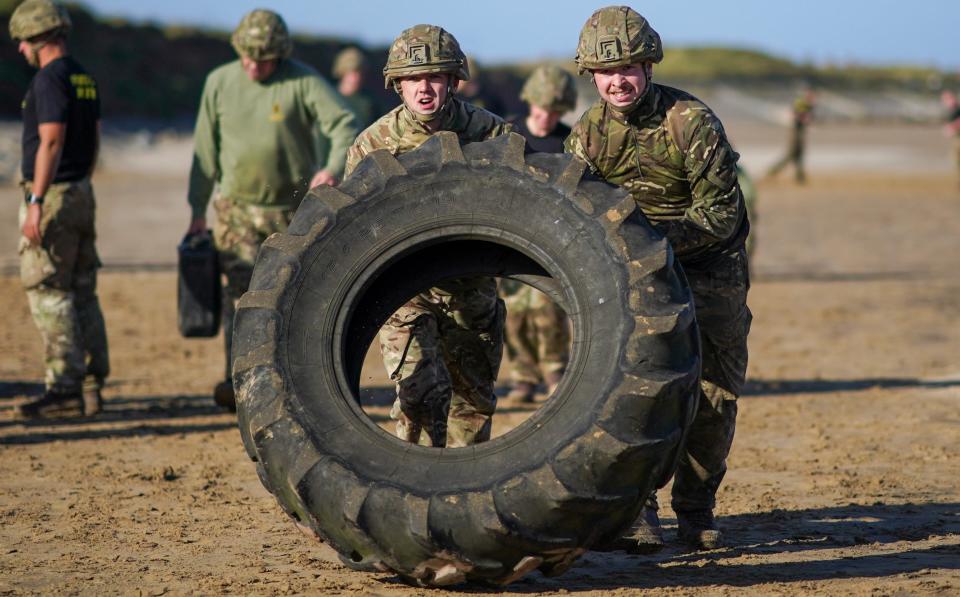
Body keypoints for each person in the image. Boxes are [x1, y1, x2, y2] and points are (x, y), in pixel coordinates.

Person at [565, 6, 751, 551]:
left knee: (713, 398)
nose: (617, 80)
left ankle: (696, 511)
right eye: (606, 71)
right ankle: (638, 510)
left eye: (628, 67)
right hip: (635, 280)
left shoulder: (691, 121)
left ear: (648, 66)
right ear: (591, 76)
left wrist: (652, 243)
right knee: (632, 394)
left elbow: (721, 217)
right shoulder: (588, 135)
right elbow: (576, 217)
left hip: (710, 271)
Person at [345, 24, 512, 448]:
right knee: (418, 394)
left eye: (435, 77)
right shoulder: (373, 146)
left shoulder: (492, 135)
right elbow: (352, 228)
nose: (424, 88)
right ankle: (412, 487)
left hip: (471, 289)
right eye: (413, 78)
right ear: (397, 84)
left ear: (454, 81)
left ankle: (463, 499)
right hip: (406, 289)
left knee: (470, 410)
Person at [186, 9, 358, 409]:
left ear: (279, 56)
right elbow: (203, 153)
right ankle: (240, 380)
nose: (252, 65)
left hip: (291, 211)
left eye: (261, 59)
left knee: (290, 296)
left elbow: (344, 124)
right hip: (236, 210)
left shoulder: (302, 80)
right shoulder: (219, 82)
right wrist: (197, 210)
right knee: (240, 297)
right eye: (245, 56)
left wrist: (332, 169)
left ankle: (288, 378)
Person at [10, 0, 109, 419]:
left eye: (23, 41)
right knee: (83, 289)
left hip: (54, 194)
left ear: (40, 37)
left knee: (49, 289)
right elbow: (96, 138)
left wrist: (36, 202)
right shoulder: (82, 77)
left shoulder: (49, 80)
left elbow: (50, 140)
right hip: (80, 191)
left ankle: (64, 386)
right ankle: (91, 385)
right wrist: (79, 184)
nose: (20, 50)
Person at [501, 65, 577, 402]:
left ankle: (554, 372)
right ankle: (522, 377)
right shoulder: (508, 135)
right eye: (541, 109)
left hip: (550, 238)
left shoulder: (568, 141)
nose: (546, 117)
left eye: (554, 111)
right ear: (530, 103)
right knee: (513, 313)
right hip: (510, 233)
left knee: (549, 308)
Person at [767, 89, 816, 184]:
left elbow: (809, 117)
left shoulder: (808, 105)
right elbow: (796, 114)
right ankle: (772, 172)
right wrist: (804, 117)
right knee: (791, 154)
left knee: (799, 154)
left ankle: (800, 177)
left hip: (800, 132)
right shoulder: (800, 102)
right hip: (795, 131)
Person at [332, 46, 378, 130]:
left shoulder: (369, 103)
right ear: (342, 71)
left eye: (360, 72)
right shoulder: (329, 97)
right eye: (352, 72)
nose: (357, 77)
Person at [941, 90, 960, 187]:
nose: (945, 102)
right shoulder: (952, 110)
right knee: (956, 160)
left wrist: (952, 127)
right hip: (956, 138)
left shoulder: (957, 109)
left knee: (957, 159)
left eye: (946, 99)